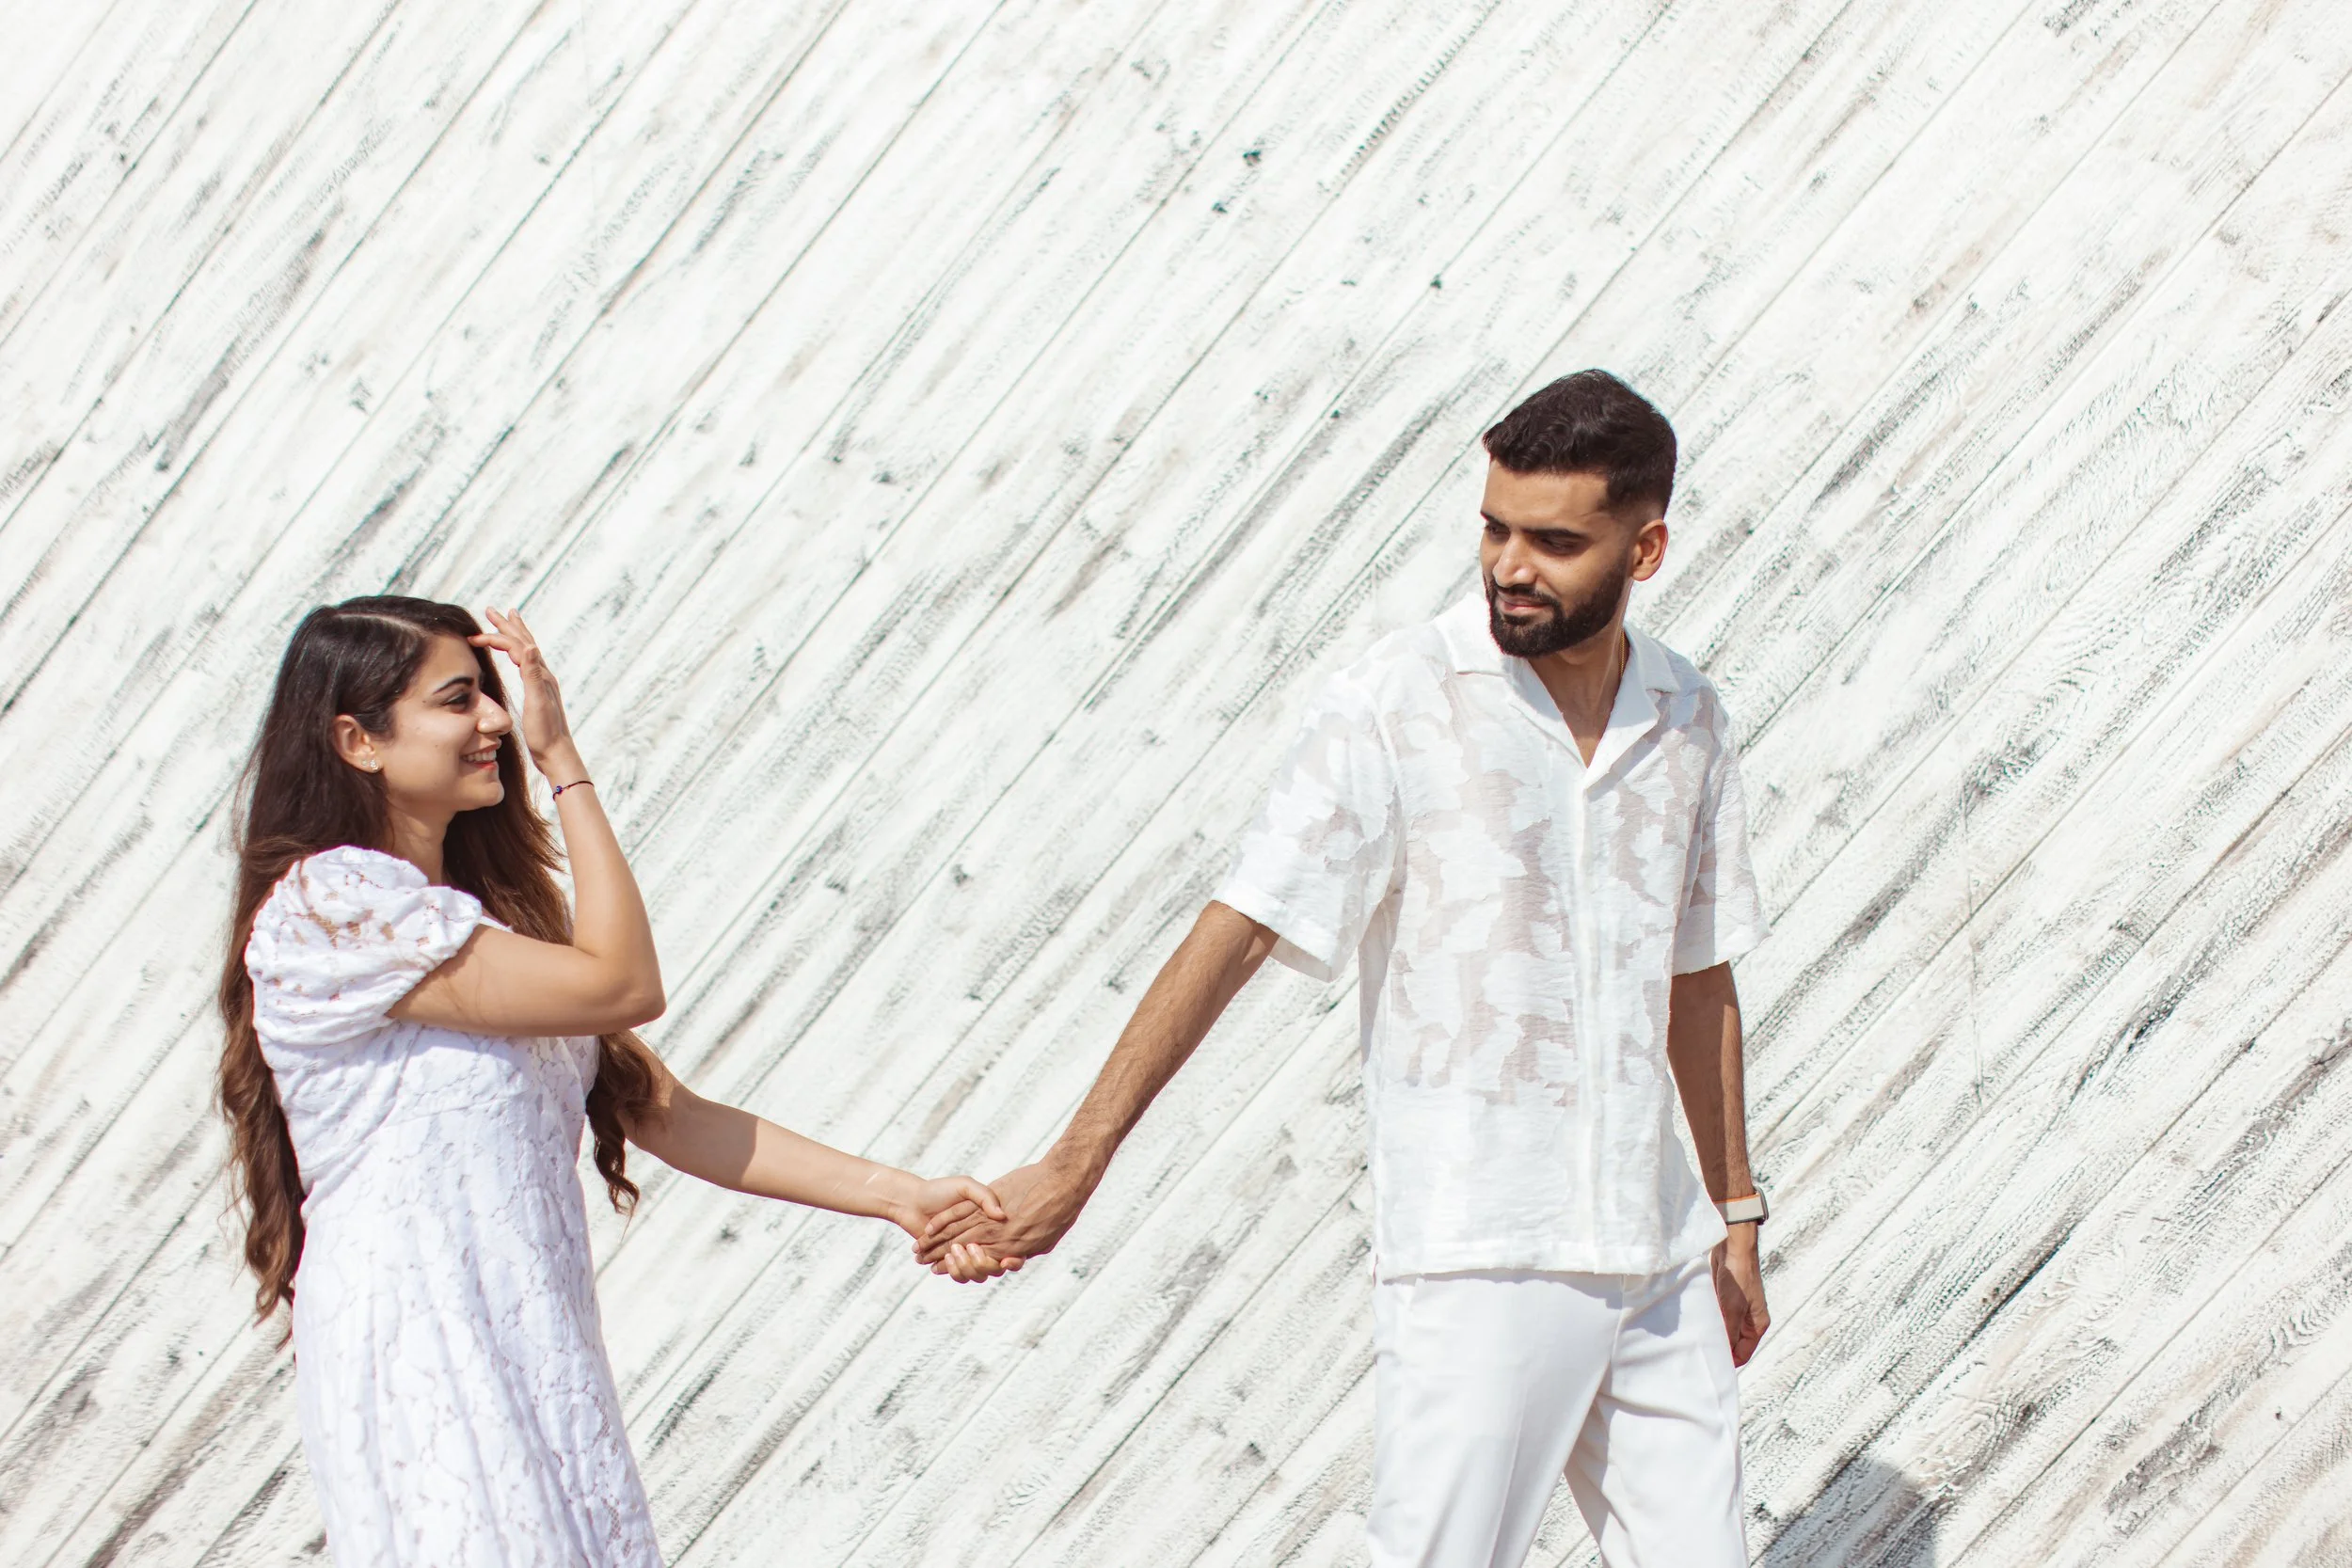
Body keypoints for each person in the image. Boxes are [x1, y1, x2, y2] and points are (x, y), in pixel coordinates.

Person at [921, 371, 1771, 1567]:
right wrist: (1074, 1161)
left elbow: (1695, 972)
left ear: (1648, 548)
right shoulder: (1396, 702)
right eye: (1493, 526)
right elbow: (1244, 922)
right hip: (1482, 1250)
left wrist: (1734, 1211)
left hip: (1659, 1251)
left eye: (1554, 540)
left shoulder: (1689, 715)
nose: (1509, 565)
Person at [217, 596, 1011, 1568]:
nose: (499, 721)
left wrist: (904, 1198)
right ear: (358, 738)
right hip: (427, 1345)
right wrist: (564, 763)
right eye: (458, 700)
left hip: (531, 1344)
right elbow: (626, 982)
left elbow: (664, 1110)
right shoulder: (332, 907)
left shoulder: (469, 928)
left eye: (495, 699)